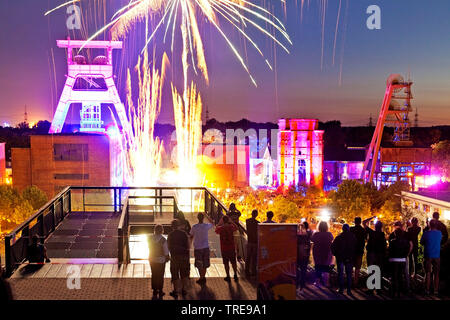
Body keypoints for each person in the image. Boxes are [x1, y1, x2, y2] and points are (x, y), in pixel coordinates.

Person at [388, 221, 413, 298]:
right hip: (403, 259)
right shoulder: (406, 237)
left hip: (394, 259)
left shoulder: (392, 238)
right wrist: (406, 255)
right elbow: (410, 245)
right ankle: (404, 290)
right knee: (403, 275)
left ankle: (394, 291)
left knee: (394, 276)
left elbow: (390, 249)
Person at [167, 219, 190, 299]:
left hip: (174, 257)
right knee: (184, 273)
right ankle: (184, 289)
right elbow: (188, 246)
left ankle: (176, 290)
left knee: (175, 274)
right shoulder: (184, 234)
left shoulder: (170, 235)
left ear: (172, 226)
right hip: (184, 256)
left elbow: (168, 246)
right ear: (179, 225)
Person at [331, 224, 356, 295]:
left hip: (340, 258)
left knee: (340, 274)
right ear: (348, 229)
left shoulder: (339, 237)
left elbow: (333, 246)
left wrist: (335, 254)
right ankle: (349, 290)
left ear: (342, 229)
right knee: (349, 275)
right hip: (349, 258)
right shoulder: (353, 237)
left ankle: (341, 289)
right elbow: (355, 247)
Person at [364, 217, 387, 294]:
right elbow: (384, 246)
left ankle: (371, 288)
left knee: (371, 270)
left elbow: (364, 222)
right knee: (378, 271)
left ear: (375, 226)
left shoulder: (372, 233)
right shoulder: (382, 234)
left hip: (371, 253)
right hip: (380, 255)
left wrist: (372, 218)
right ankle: (378, 289)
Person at [189, 213, 213, 285]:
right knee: (205, 263)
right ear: (203, 218)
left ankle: (201, 277)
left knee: (199, 263)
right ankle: (203, 277)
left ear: (197, 218)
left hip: (198, 247)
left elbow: (191, 236)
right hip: (205, 247)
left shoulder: (194, 227)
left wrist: (190, 244)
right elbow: (212, 223)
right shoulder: (206, 226)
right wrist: (208, 217)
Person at [421, 219, 442, 296]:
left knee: (428, 272)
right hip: (437, 255)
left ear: (429, 225)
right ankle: (436, 290)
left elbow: (421, 242)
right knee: (436, 273)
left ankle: (427, 290)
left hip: (428, 254)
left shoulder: (426, 233)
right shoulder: (439, 233)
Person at [148, 224, 170, 300]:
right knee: (160, 275)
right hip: (161, 260)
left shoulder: (150, 238)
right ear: (162, 230)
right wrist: (167, 257)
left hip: (152, 259)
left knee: (154, 274)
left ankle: (154, 290)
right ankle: (160, 290)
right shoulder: (163, 240)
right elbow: (166, 251)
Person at [215, 215, 239, 282]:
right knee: (233, 262)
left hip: (224, 248)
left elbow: (216, 230)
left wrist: (219, 223)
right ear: (228, 220)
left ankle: (228, 276)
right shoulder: (231, 227)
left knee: (226, 263)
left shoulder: (220, 228)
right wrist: (232, 222)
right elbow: (236, 228)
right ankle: (235, 275)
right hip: (232, 247)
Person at [311, 221, 334, 287]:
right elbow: (332, 239)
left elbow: (312, 239)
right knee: (326, 267)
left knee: (318, 267)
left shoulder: (316, 234)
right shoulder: (329, 234)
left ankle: (317, 282)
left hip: (317, 253)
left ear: (319, 226)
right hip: (326, 253)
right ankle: (327, 283)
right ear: (327, 227)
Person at [350, 217, 366, 287]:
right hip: (359, 250)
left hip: (352, 250)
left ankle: (349, 281)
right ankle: (356, 282)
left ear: (354, 221)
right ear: (360, 222)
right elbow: (365, 239)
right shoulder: (363, 230)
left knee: (350, 266)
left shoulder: (351, 229)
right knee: (357, 267)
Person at [297, 221, 313, 291]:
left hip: (298, 253)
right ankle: (303, 283)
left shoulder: (298, 234)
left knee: (298, 268)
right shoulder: (309, 233)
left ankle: (297, 283)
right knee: (304, 269)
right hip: (305, 253)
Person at [245, 209, 259, 277]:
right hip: (255, 242)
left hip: (249, 240)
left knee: (248, 257)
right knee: (254, 257)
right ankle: (253, 271)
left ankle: (246, 270)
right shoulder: (258, 223)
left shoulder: (247, 221)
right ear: (256, 215)